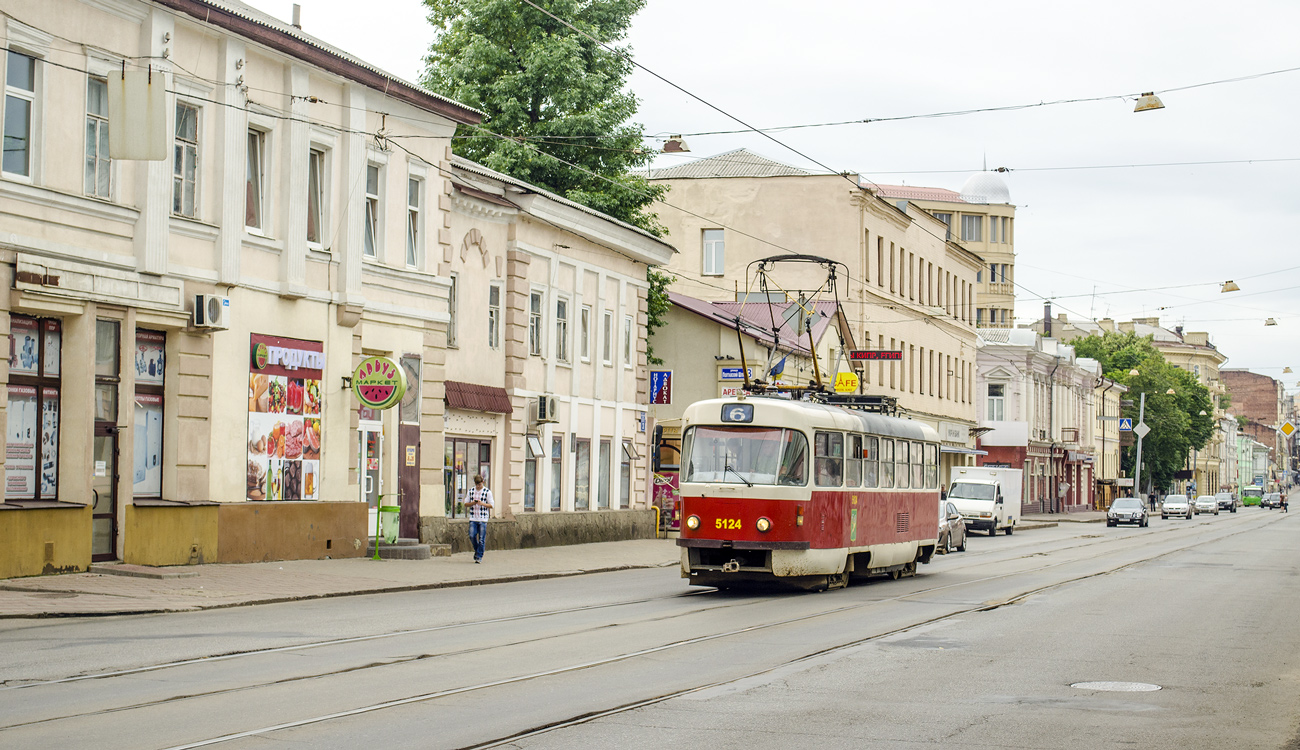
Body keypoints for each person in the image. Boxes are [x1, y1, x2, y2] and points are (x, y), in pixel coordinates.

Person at [466, 474, 494, 563]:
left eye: (480, 484)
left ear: (483, 482)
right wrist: (473, 503)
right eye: (477, 484)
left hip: (483, 519)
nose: (478, 486)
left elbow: (491, 505)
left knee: (482, 539)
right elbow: (466, 504)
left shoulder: (487, 492)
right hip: (473, 518)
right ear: (475, 483)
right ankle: (477, 550)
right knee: (471, 535)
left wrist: (482, 503)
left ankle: (479, 556)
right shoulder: (471, 491)